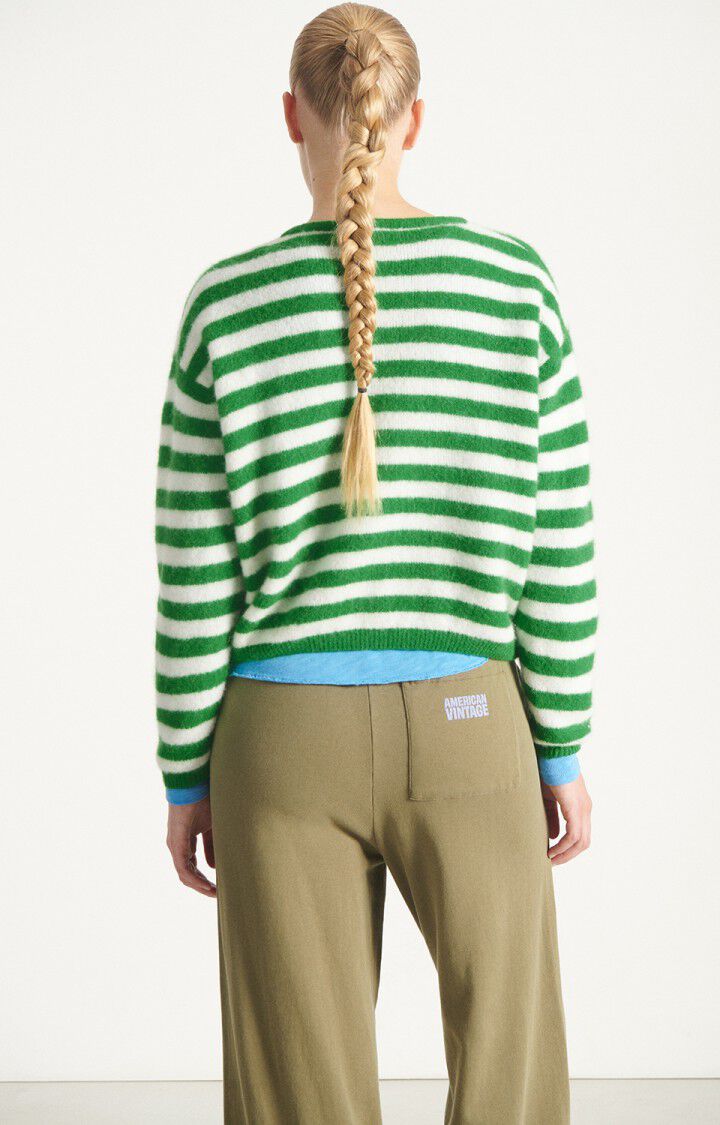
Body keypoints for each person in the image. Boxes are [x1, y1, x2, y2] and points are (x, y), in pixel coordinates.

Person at [155, 4, 596, 1122]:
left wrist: (185, 773)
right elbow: (559, 542)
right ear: (414, 121)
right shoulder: (514, 285)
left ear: (290, 115)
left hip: (279, 742)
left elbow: (193, 569)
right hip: (472, 723)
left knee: (296, 1090)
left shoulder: (227, 305)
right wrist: (560, 742)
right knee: (511, 1075)